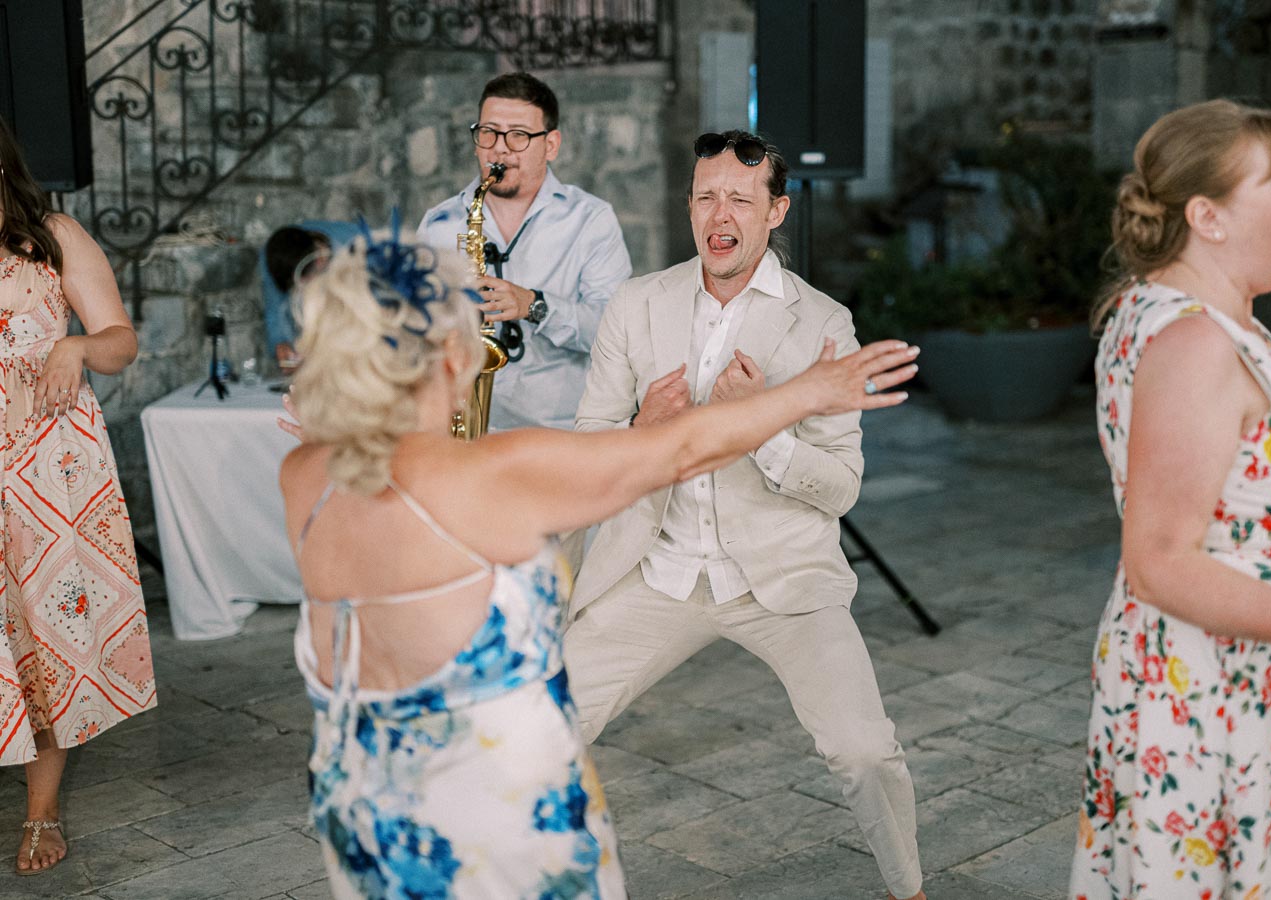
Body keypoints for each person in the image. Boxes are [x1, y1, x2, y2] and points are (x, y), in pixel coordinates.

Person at [277, 224, 916, 897]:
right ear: (443, 357)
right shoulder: (491, 476)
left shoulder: (304, 476)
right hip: (498, 835)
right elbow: (680, 451)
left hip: (368, 822)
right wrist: (811, 391)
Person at [563, 129, 927, 900]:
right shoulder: (638, 304)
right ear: (689, 208)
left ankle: (911, 891)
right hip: (654, 572)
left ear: (775, 211)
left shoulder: (824, 323)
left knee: (865, 753)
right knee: (537, 732)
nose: (717, 211)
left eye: (739, 196)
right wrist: (641, 433)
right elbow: (587, 445)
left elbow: (841, 487)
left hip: (782, 580)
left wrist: (758, 428)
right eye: (704, 195)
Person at [1072, 99, 1271, 897]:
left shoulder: (1228, 325)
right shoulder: (1193, 340)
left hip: (1270, 679)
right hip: (1226, 692)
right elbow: (1161, 562)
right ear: (1208, 215)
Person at [0, 116, 155, 874]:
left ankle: (40, 811)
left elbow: (120, 341)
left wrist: (76, 344)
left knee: (42, 637)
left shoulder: (54, 234)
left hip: (47, 471)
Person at [417, 71, 632, 431]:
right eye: (488, 133)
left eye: (518, 135)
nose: (499, 149)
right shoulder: (439, 223)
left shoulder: (591, 220)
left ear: (551, 145)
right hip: (460, 432)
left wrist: (534, 306)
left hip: (559, 434)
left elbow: (616, 335)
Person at [261, 221, 359, 369]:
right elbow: (275, 308)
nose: (300, 293)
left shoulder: (357, 245)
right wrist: (281, 344)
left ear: (320, 261)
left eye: (303, 283)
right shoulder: (272, 256)